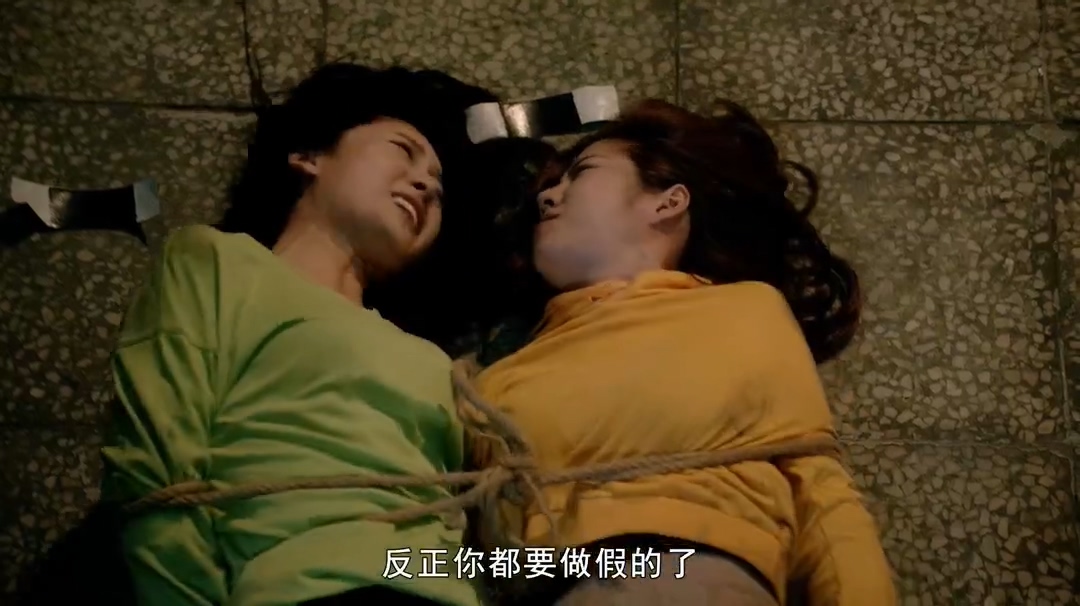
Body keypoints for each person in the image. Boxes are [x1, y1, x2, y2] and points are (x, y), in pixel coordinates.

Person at [98, 62, 499, 606]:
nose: (427, 184)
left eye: (440, 188)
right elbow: (155, 466)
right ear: (309, 156)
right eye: (403, 151)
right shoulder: (218, 261)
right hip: (302, 590)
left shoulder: (432, 358)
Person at [467, 99, 896, 605]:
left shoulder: (741, 312)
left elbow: (818, 489)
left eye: (581, 173)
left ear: (668, 202)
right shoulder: (497, 376)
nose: (548, 196)